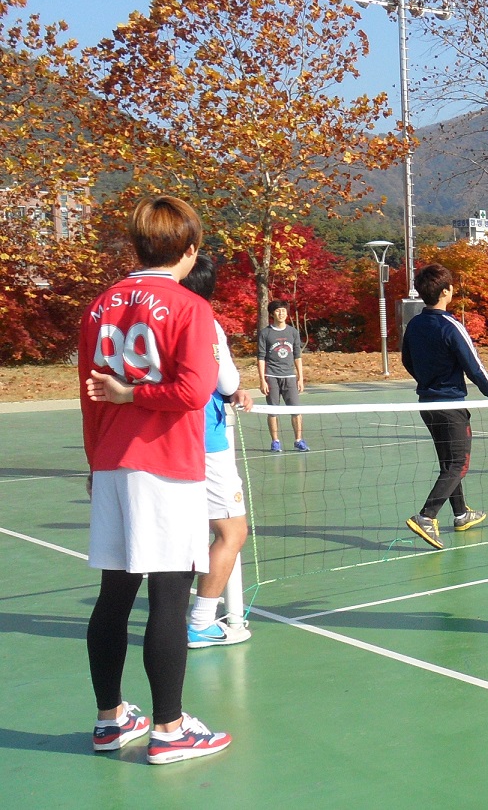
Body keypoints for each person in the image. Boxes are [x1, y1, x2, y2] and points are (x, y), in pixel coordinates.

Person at [79, 195, 232, 764]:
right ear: (188, 250)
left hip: (114, 463)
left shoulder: (100, 306)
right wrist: (136, 392)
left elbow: (87, 396)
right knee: (169, 596)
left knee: (114, 595)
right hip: (165, 467)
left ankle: (110, 719)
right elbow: (195, 391)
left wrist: (96, 461)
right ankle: (169, 729)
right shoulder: (191, 308)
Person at [401, 263, 488, 549]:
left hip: (427, 404)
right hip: (450, 406)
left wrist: (427, 381)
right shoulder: (450, 325)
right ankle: (426, 516)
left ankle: (461, 513)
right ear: (446, 292)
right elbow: (473, 364)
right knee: (458, 463)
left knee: (448, 463)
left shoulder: (414, 325)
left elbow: (408, 361)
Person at [182, 256, 254, 648]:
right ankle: (200, 622)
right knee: (231, 530)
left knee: (178, 533)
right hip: (204, 440)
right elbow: (225, 376)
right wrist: (232, 387)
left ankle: (179, 617)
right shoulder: (202, 321)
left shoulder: (150, 317)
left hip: (162, 441)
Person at [257, 299, 307, 452]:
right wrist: (262, 380)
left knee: (296, 410)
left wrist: (300, 378)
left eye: (283, 311)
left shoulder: (293, 332)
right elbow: (260, 357)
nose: (281, 313)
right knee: (273, 410)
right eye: (278, 311)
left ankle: (298, 440)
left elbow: (297, 356)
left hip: (290, 377)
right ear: (272, 314)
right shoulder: (265, 333)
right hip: (271, 376)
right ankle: (275, 441)